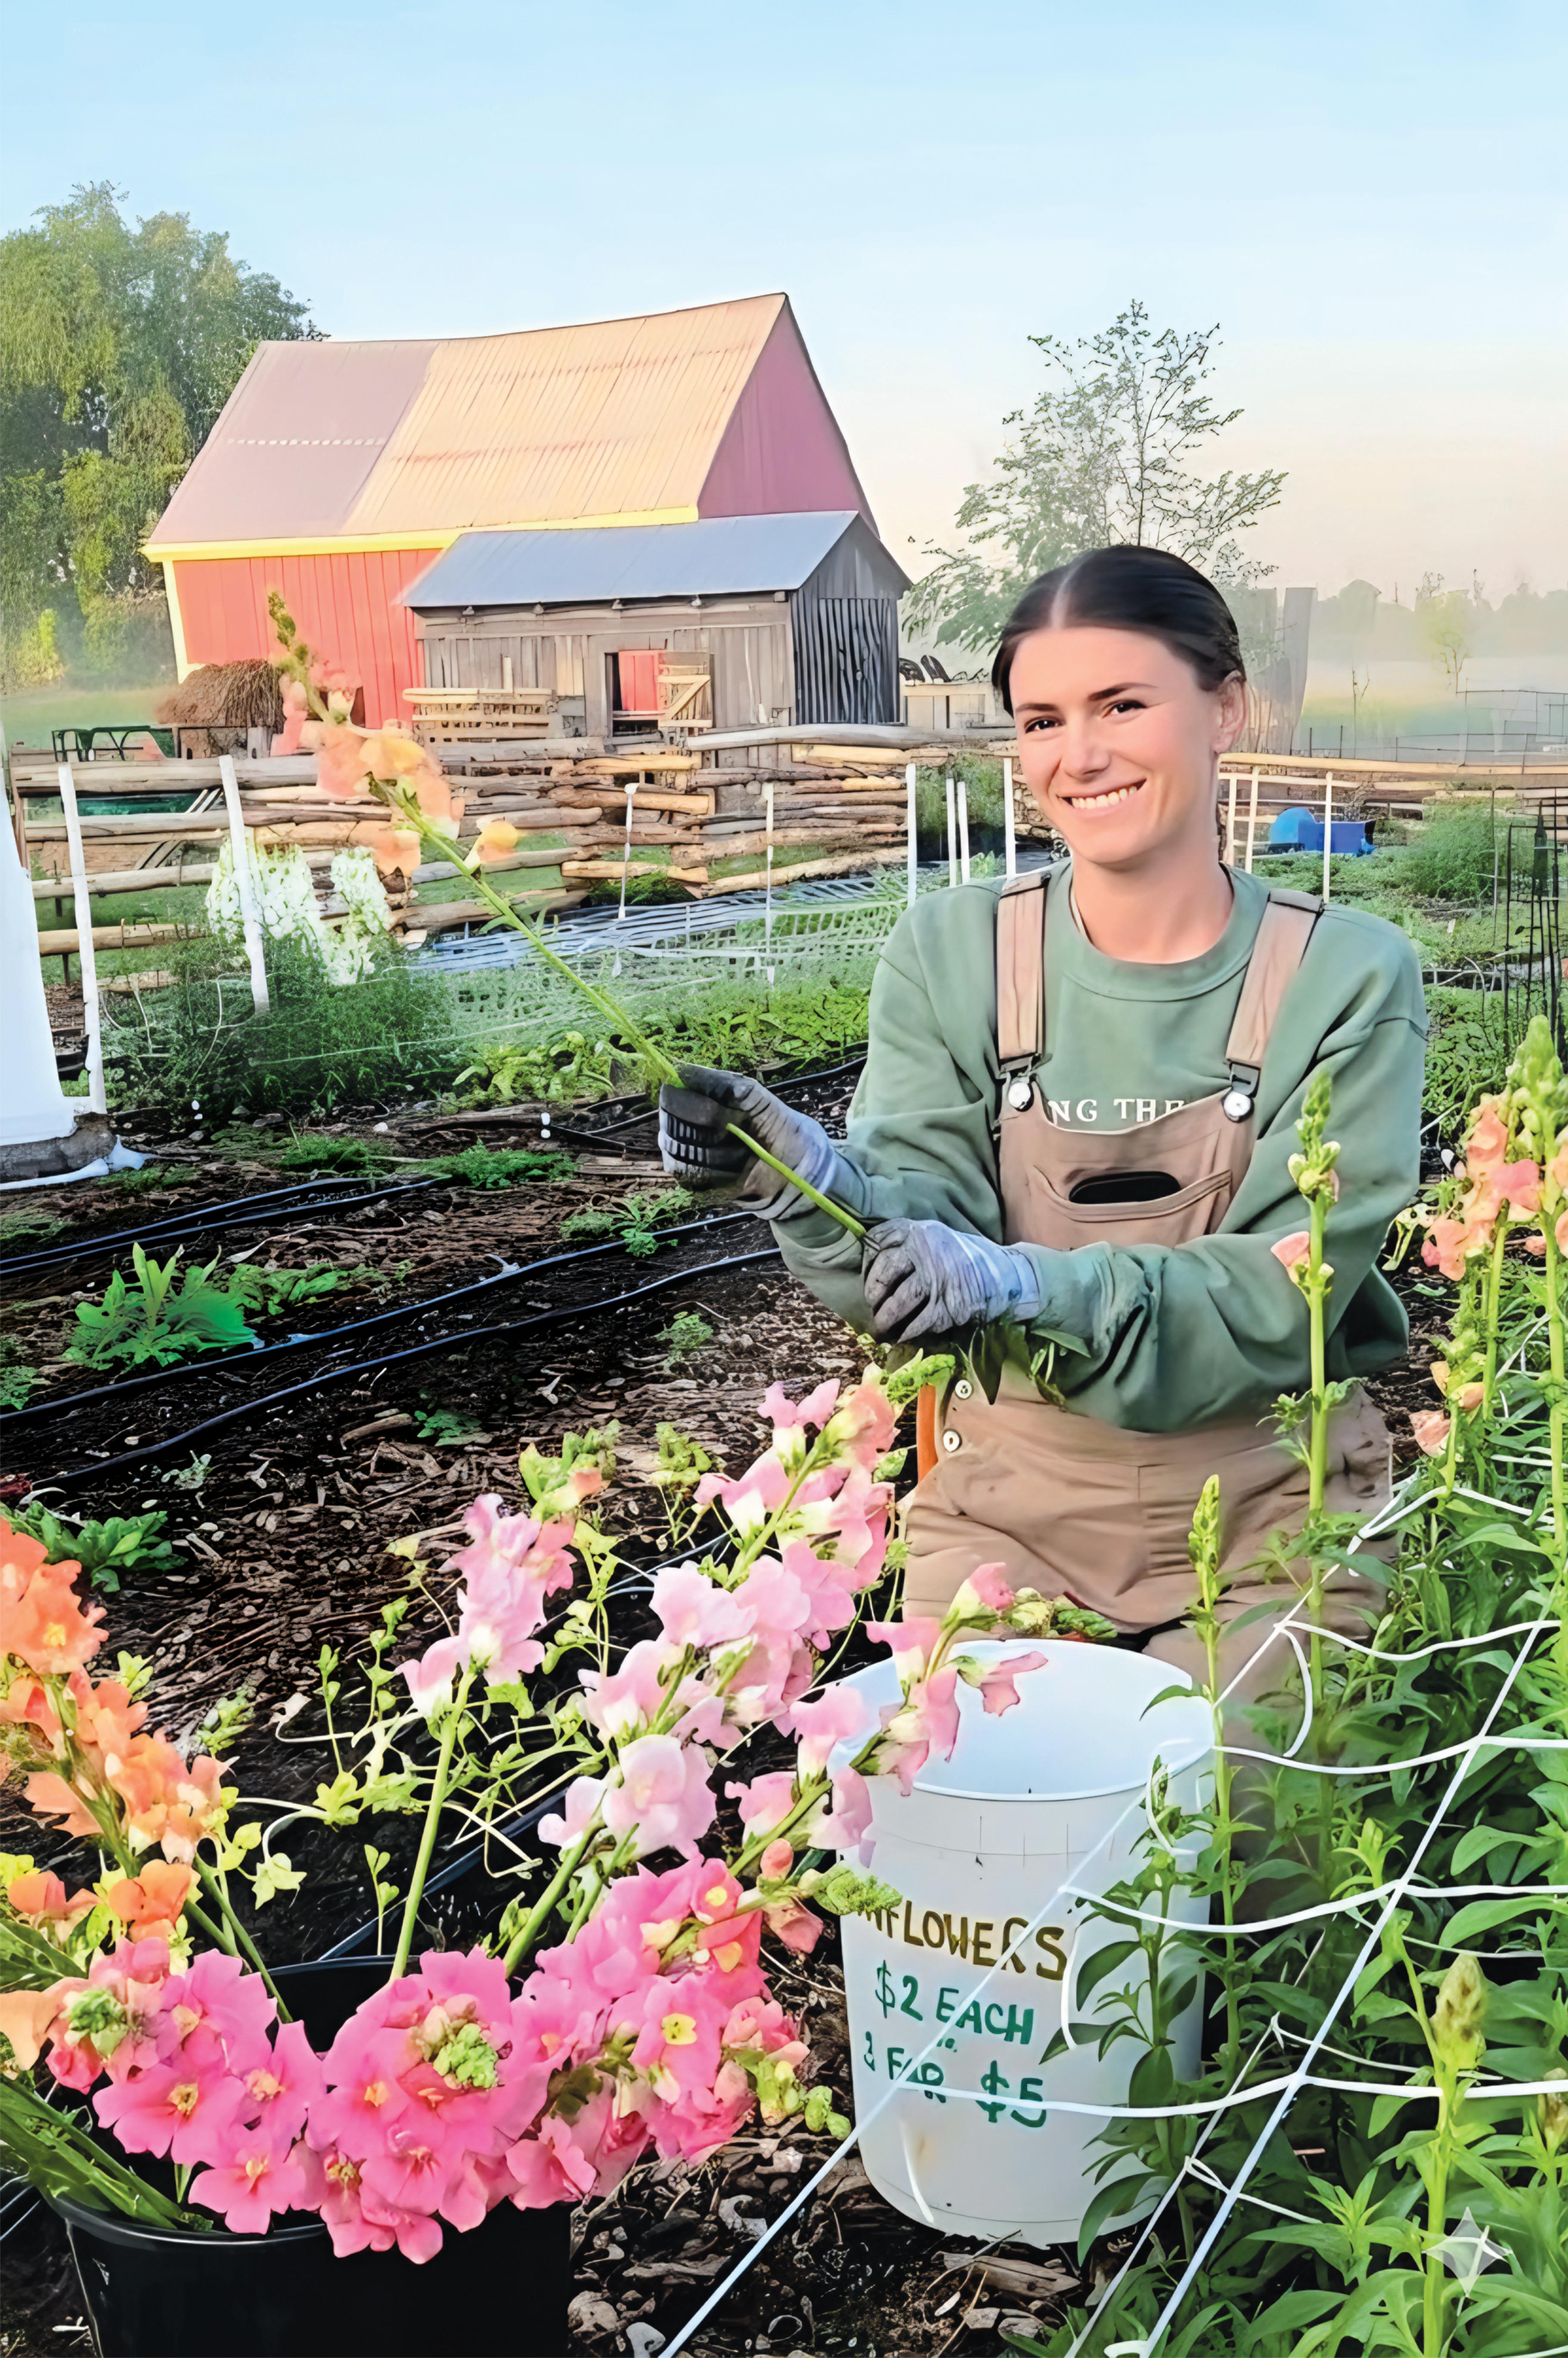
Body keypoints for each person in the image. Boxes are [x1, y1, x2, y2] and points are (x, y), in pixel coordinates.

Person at [658, 546, 1426, 1703]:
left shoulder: (1344, 976)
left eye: (1123, 705)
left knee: (1217, 1790)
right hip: (1009, 1508)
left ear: (1226, 709)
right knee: (968, 1800)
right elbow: (916, 1238)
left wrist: (1026, 1285)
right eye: (1042, 720)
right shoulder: (955, 952)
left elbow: (1281, 1300)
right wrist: (805, 1181)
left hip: (1272, 1508)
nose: (1080, 754)